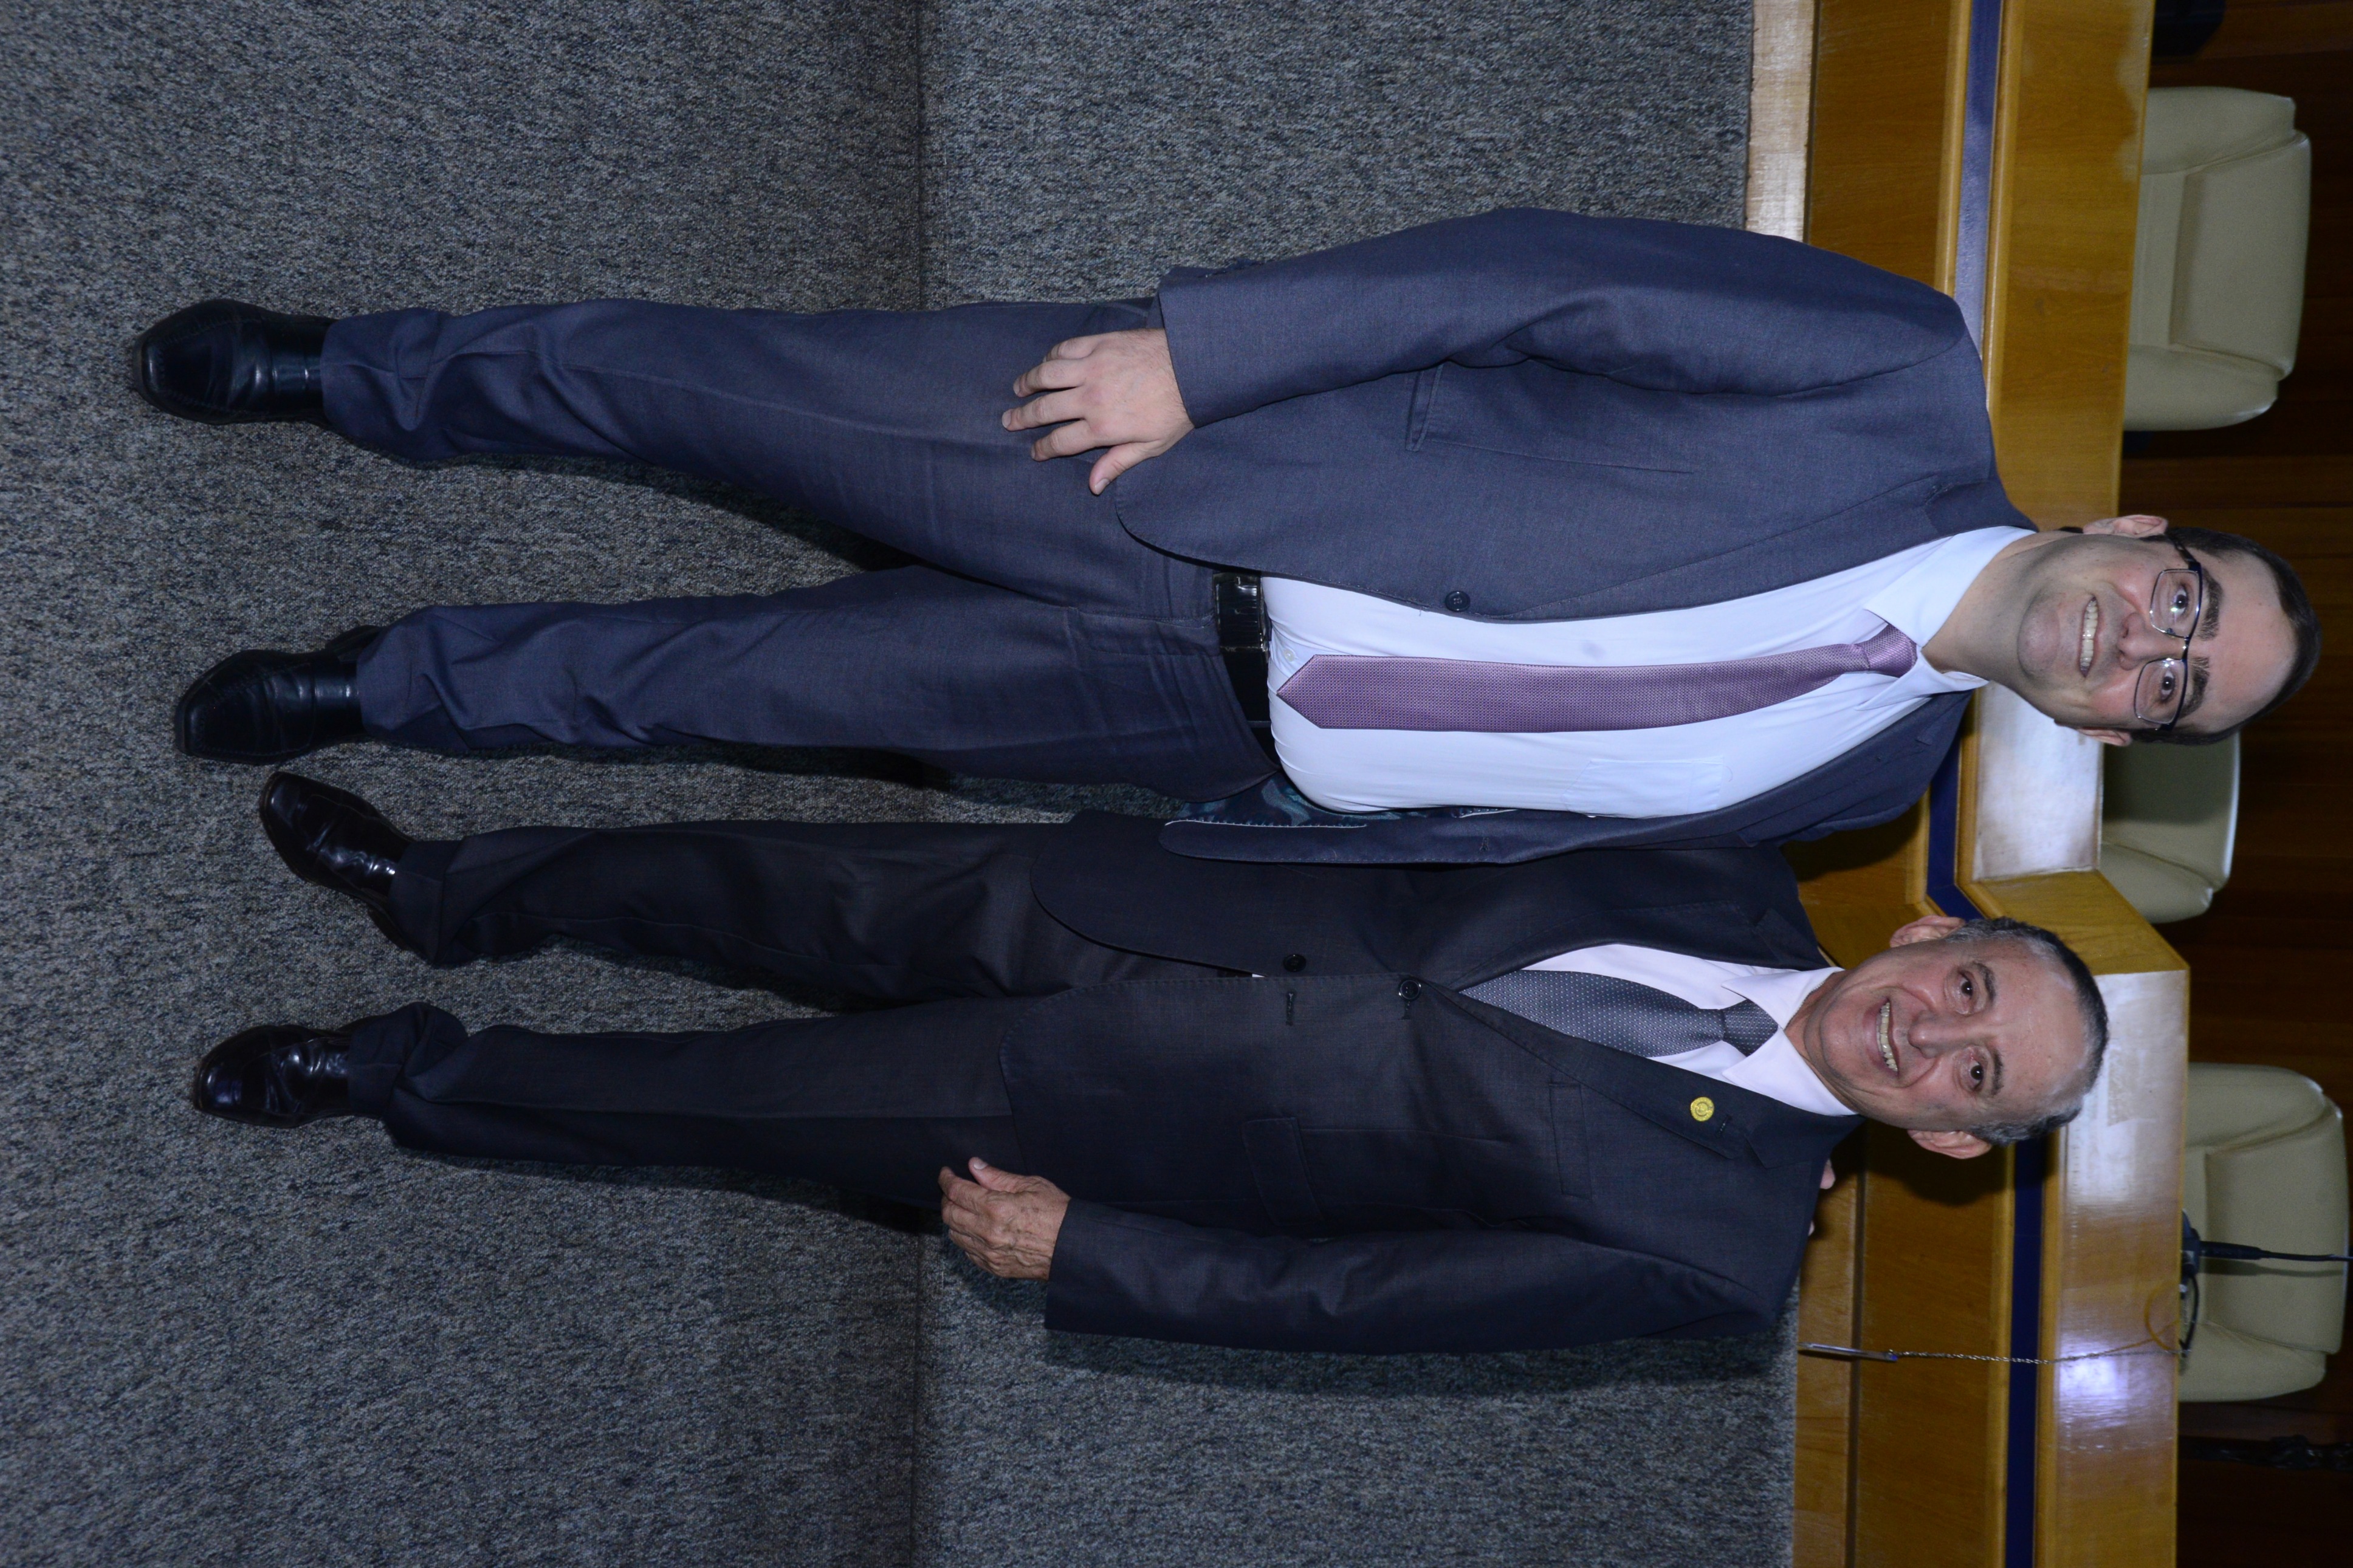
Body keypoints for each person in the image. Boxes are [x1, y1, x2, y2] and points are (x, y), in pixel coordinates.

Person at [141, 208, 2320, 866]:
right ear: (2141, 523)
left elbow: (1522, 833)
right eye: (2183, 602)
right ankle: (355, 371)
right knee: (713, 387)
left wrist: (1269, 840)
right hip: (1185, 478)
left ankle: (388, 687)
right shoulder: (1901, 374)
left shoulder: (1863, 791)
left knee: (739, 690)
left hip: (1182, 726)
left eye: (2170, 693)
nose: (2142, 646)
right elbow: (1549, 279)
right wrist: (1211, 357)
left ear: (2113, 732)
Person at [191, 772, 2109, 1354]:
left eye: (1976, 1080)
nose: (1935, 1038)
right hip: (1128, 895)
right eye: (1971, 992)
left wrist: (1096, 1254)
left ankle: (396, 1075)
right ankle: (443, 888)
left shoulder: (1717, 1257)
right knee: (741, 881)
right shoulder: (1727, 860)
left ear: (1955, 1148)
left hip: (1102, 1125)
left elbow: (1378, 1302)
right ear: (1928, 936)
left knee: (722, 1102)